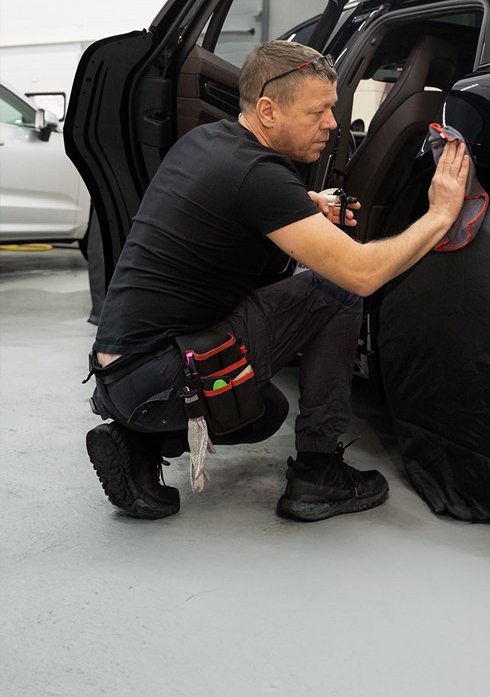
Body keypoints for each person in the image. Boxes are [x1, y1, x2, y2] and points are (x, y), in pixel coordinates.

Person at [85, 39, 469, 521]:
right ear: (267, 110)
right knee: (339, 289)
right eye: (319, 112)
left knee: (265, 411)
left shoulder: (207, 142)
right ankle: (318, 471)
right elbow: (364, 273)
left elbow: (235, 199)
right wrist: (439, 214)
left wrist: (306, 203)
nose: (332, 124)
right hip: (158, 376)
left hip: (120, 371)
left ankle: (138, 442)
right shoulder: (258, 176)